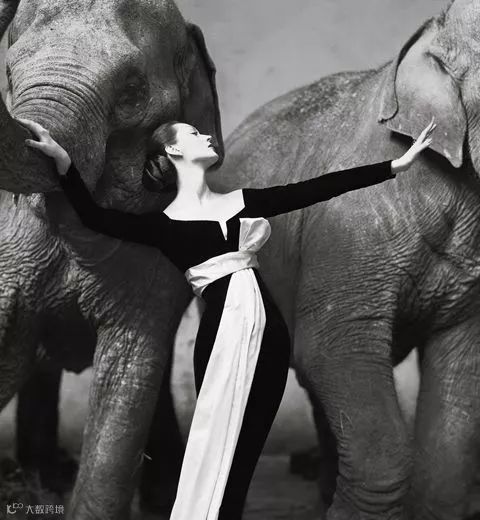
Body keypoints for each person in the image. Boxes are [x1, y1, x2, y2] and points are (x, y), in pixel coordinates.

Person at [17, 116, 435, 520]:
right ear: (174, 151)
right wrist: (63, 161)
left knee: (245, 455)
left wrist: (393, 166)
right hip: (221, 339)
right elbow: (94, 217)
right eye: (193, 133)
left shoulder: (240, 202)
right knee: (218, 448)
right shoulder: (163, 225)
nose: (206, 136)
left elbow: (315, 189)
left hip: (269, 338)